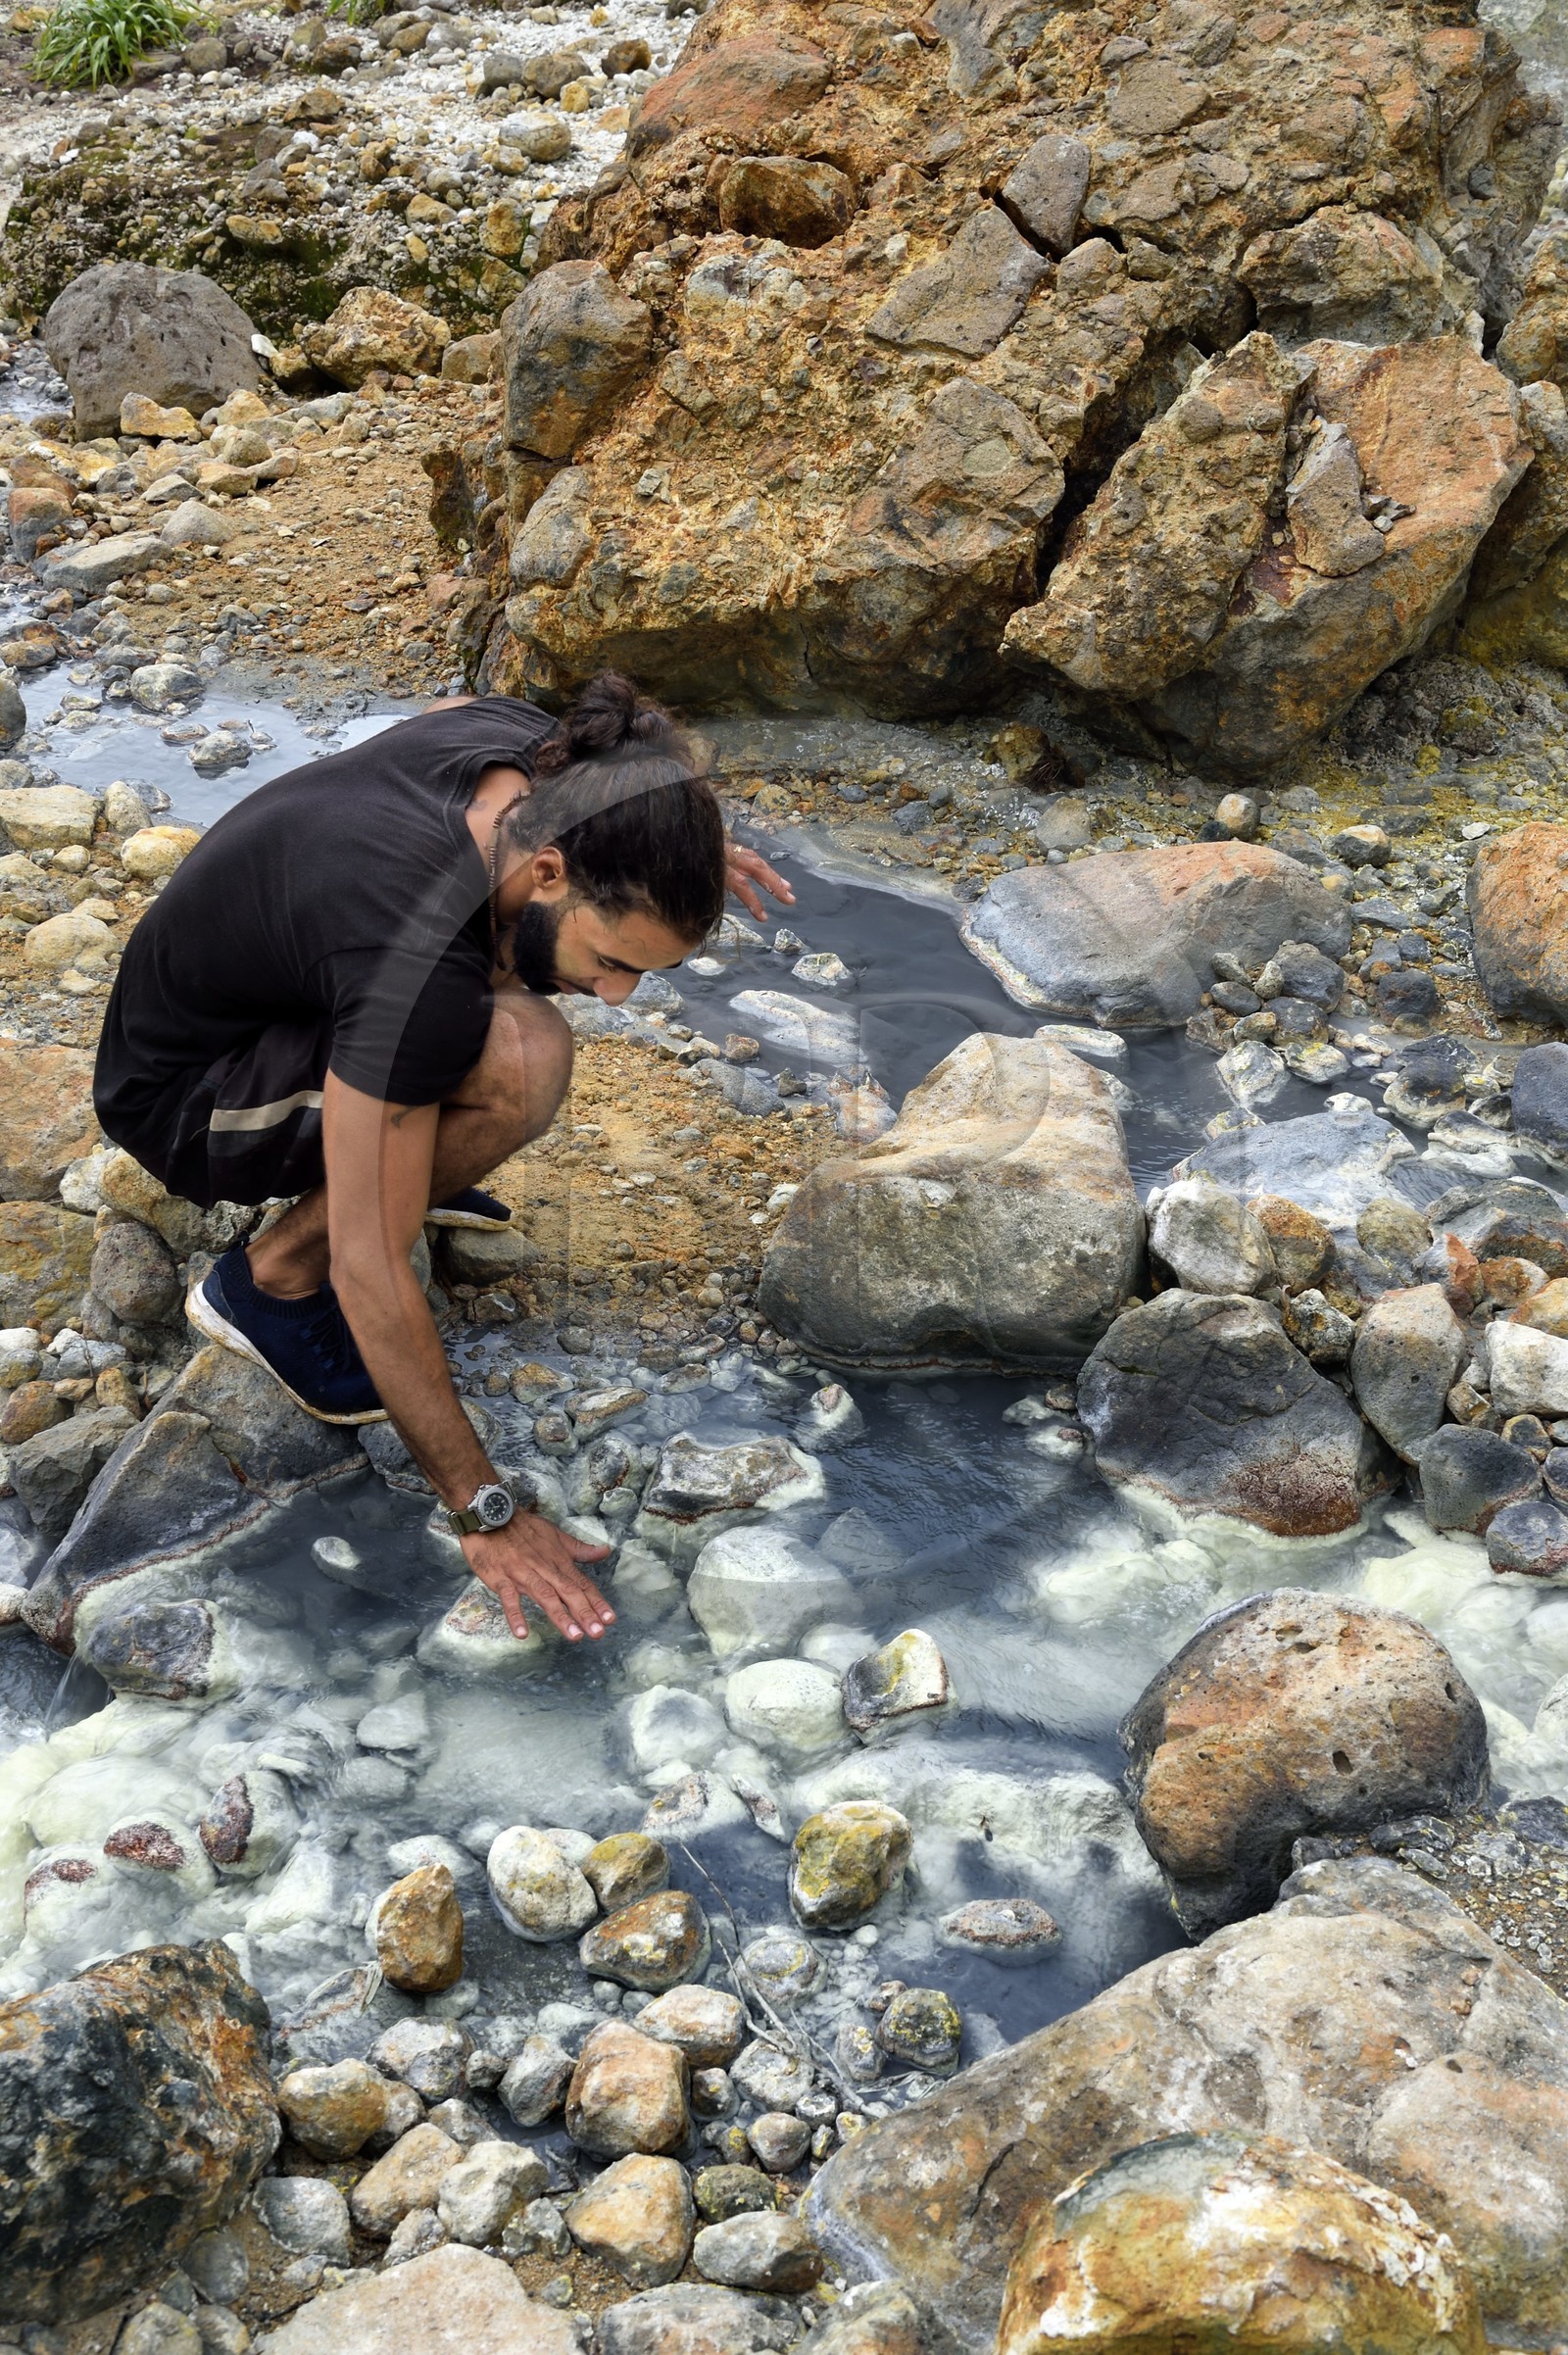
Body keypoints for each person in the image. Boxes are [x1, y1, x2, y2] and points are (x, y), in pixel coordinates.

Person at [93, 672, 793, 1647]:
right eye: (615, 959)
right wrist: (484, 1511)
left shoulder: (530, 762)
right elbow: (373, 1268)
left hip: (267, 1002)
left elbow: (449, 722)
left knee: (499, 986)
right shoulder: (410, 958)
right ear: (549, 869)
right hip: (185, 1099)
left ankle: (401, 1140)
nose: (622, 995)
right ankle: (269, 1282)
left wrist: (679, 846)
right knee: (523, 1055)